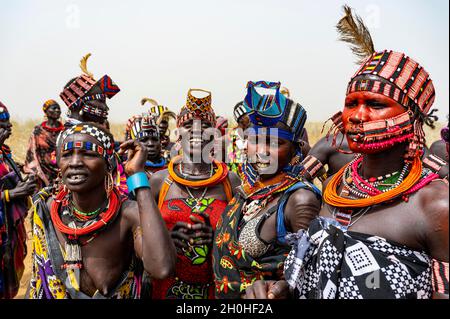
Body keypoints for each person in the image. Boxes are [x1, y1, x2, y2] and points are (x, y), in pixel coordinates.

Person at [245, 6, 449, 299]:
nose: (357, 115)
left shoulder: (436, 206)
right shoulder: (336, 188)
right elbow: (317, 275)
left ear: (412, 119)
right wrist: (281, 290)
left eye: (375, 104)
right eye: (351, 103)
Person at [28, 122, 176, 299]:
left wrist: (137, 175)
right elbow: (37, 280)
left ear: (109, 164)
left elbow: (161, 268)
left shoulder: (128, 214)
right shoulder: (48, 210)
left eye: (88, 154)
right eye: (67, 155)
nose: (75, 163)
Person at [213, 81, 321, 299]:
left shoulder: (300, 199)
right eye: (255, 141)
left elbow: (312, 278)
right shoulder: (247, 189)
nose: (261, 151)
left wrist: (282, 288)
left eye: (274, 143)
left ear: (295, 150)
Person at [149, 88, 241, 299]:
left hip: (216, 289)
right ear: (178, 132)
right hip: (167, 288)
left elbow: (241, 238)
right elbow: (141, 234)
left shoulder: (230, 181)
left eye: (206, 126)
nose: (197, 131)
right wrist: (165, 239)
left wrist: (218, 238)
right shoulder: (159, 181)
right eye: (189, 125)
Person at [0, 102, 36, 299]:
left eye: (7, 126)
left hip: (10, 227)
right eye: (2, 127)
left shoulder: (4, 153)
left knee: (11, 269)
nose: (8, 130)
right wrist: (10, 195)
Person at [24, 100, 65, 189]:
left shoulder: (65, 131)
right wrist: (34, 171)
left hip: (62, 171)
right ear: (46, 111)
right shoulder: (38, 131)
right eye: (54, 108)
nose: (57, 110)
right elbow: (32, 152)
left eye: (58, 108)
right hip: (43, 173)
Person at [125, 114, 167, 178]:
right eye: (144, 140)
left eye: (155, 139)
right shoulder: (124, 171)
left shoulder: (169, 169)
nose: (150, 144)